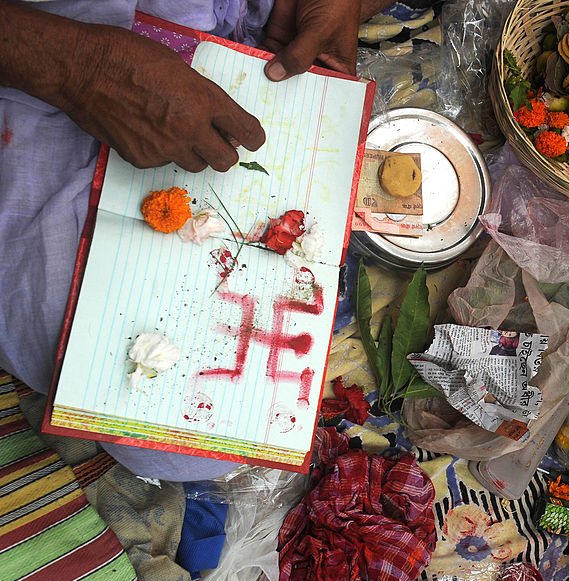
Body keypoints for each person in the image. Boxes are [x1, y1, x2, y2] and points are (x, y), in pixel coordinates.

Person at [0, 0, 389, 478]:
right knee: (161, 428)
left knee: (217, 428)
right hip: (49, 62)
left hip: (251, 46)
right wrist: (82, 68)